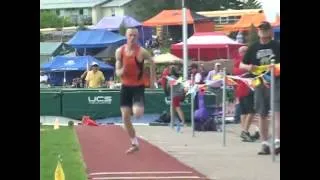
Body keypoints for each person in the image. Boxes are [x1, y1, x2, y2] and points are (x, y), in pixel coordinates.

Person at [240, 21, 280, 155]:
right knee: (262, 113)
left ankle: (277, 141)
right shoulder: (253, 47)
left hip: (276, 81)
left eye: (266, 29)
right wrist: (248, 67)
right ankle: (264, 143)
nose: (263, 31)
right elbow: (242, 64)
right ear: (258, 32)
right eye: (261, 29)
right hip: (259, 82)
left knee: (277, 111)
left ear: (270, 31)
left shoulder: (277, 45)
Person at [115, 27, 156, 154]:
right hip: (125, 87)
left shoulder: (141, 52)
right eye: (130, 35)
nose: (132, 38)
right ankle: (134, 143)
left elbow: (152, 62)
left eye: (134, 35)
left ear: (137, 37)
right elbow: (117, 71)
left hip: (138, 86)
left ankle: (138, 105)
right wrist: (121, 71)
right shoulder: (119, 51)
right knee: (125, 117)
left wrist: (153, 80)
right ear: (126, 37)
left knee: (137, 113)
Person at [233, 46, 259, 142]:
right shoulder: (245, 62)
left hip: (241, 90)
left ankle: (245, 131)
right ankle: (245, 131)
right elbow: (251, 71)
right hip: (247, 89)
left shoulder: (237, 62)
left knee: (244, 112)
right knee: (250, 112)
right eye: (246, 51)